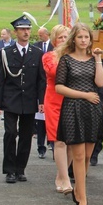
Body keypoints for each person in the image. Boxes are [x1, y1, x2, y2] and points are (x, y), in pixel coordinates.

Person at [54, 23, 103, 205]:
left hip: (92, 110)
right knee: (77, 155)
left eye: (87, 37)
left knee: (86, 156)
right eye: (80, 37)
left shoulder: (94, 60)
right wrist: (84, 95)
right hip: (73, 108)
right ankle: (83, 198)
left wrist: (99, 59)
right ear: (74, 39)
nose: (84, 40)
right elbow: (59, 87)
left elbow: (101, 83)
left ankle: (79, 189)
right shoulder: (66, 60)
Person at [0, 15, 46, 184]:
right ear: (15, 32)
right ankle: (9, 170)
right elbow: (0, 79)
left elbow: (41, 80)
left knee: (26, 135)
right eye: (22, 29)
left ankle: (20, 168)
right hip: (11, 99)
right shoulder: (6, 53)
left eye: (28, 29)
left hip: (29, 100)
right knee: (10, 133)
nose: (26, 32)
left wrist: (41, 101)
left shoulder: (37, 53)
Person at [42, 24, 73, 194]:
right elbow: (54, 72)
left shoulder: (76, 55)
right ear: (54, 40)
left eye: (66, 37)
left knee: (70, 141)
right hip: (54, 101)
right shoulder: (48, 56)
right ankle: (66, 179)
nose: (63, 40)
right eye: (60, 37)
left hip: (71, 100)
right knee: (59, 140)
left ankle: (61, 175)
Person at [33, 28, 52, 159]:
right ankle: (41, 147)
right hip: (40, 88)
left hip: (52, 88)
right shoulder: (36, 47)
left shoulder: (54, 47)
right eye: (38, 35)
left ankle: (52, 143)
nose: (40, 37)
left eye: (41, 35)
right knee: (40, 123)